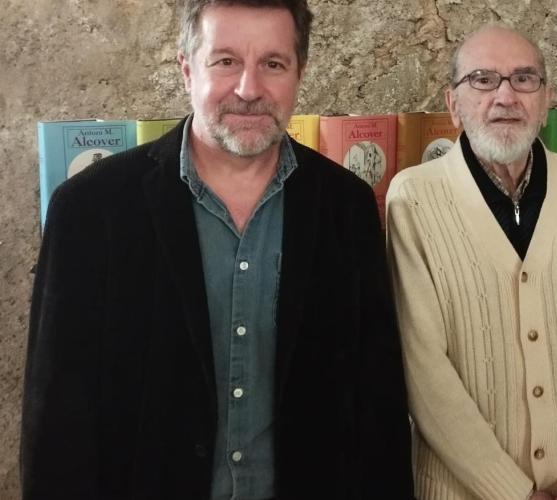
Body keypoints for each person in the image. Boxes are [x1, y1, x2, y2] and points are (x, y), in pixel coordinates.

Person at [21, 1, 414, 498]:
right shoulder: (90, 208)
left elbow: (376, 404)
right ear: (188, 69)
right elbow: (57, 421)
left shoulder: (347, 206)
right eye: (226, 61)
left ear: (299, 73)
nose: (249, 89)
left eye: (273, 63)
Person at [386, 24, 557, 500]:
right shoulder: (413, 197)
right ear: (453, 104)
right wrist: (512, 492)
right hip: (458, 490)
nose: (505, 96)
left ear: (545, 100)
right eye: (482, 80)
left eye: (524, 79)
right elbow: (423, 369)